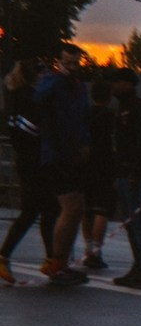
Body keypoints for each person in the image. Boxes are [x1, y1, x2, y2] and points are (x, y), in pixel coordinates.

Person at [31, 52, 93, 285]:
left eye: (75, 62)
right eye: (67, 62)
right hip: (56, 153)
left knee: (77, 208)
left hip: (73, 153)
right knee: (70, 207)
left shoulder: (77, 87)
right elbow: (38, 98)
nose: (72, 67)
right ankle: (57, 263)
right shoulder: (52, 82)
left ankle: (62, 262)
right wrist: (58, 77)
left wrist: (85, 142)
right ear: (58, 63)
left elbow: (83, 116)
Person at [1, 59, 60, 284]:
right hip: (34, 163)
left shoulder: (17, 95)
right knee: (37, 210)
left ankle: (50, 259)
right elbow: (31, 130)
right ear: (35, 75)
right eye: (44, 72)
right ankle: (7, 256)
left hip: (28, 162)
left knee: (43, 209)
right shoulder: (30, 98)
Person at [106, 74, 141, 287]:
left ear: (128, 84)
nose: (113, 85)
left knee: (140, 223)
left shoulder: (139, 109)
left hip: (135, 175)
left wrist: (135, 173)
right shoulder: (123, 108)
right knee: (130, 223)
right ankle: (138, 266)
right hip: (124, 173)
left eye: (117, 81)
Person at [77, 76, 120, 271]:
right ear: (109, 96)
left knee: (86, 209)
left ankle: (88, 248)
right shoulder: (112, 117)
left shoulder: (83, 115)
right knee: (102, 209)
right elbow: (115, 143)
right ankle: (96, 250)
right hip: (105, 165)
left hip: (84, 165)